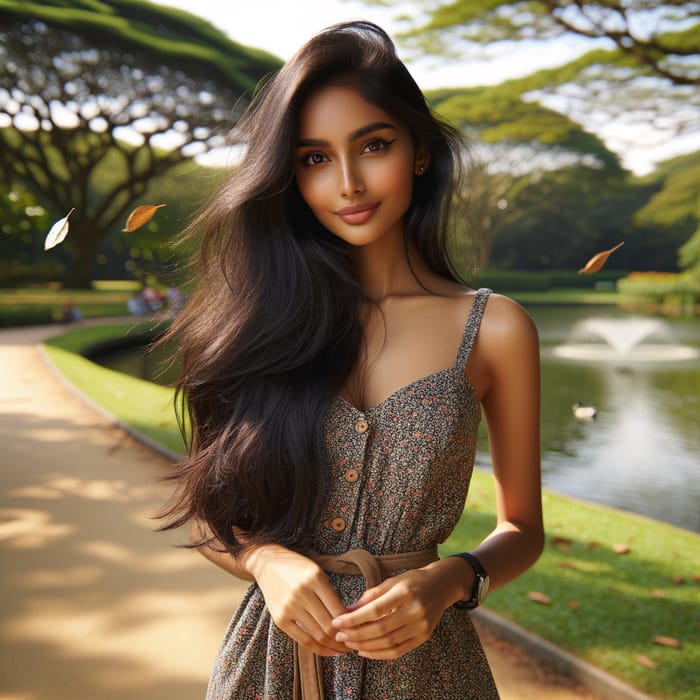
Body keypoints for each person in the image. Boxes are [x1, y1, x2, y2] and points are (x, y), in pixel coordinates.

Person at [160, 20, 543, 699]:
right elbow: (208, 516)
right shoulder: (251, 323)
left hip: (428, 668)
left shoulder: (495, 329)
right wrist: (266, 561)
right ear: (288, 173)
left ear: (419, 151)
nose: (348, 183)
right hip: (272, 667)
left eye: (373, 145)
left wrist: (451, 578)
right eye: (314, 158)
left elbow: (522, 530)